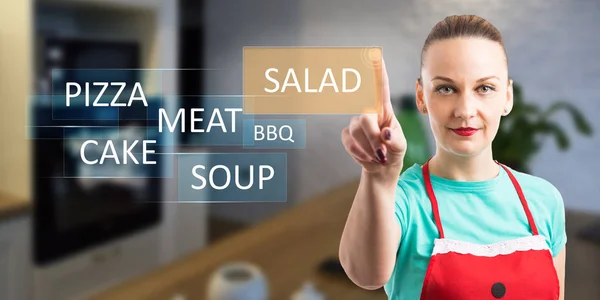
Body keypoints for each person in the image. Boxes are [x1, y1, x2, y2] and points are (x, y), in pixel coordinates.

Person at [338, 15, 566, 300]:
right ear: (421, 97)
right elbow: (365, 275)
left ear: (507, 97)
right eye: (446, 88)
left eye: (484, 88)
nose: (465, 110)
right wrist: (378, 177)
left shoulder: (544, 200)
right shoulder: (403, 201)